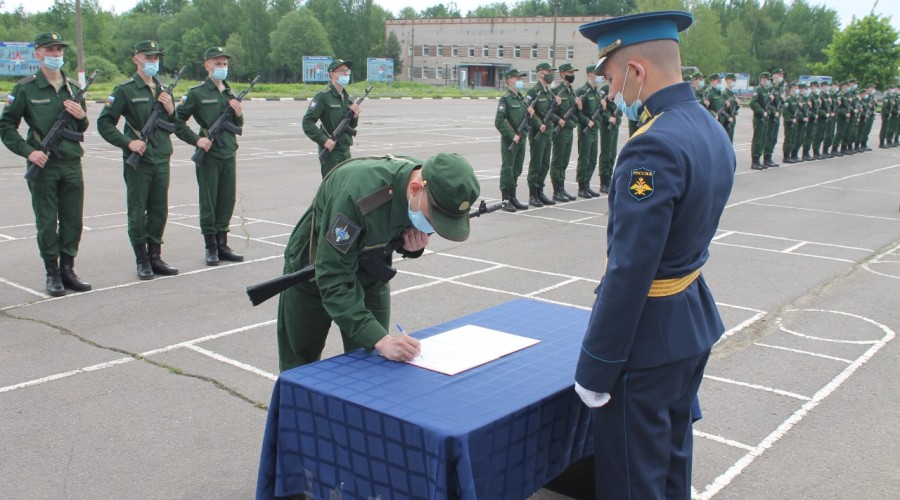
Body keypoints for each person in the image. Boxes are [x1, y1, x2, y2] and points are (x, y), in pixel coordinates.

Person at [576, 11, 735, 499]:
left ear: (636, 72)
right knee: (670, 462)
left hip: (647, 340)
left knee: (632, 479)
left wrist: (596, 367)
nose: (609, 94)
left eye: (610, 79)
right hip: (689, 321)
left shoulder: (652, 147)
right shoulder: (708, 125)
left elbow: (629, 270)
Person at [276, 153, 480, 372]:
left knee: (372, 365)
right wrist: (381, 339)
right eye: (433, 219)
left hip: (371, 270)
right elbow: (332, 275)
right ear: (414, 189)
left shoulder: (426, 185)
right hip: (314, 269)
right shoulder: (359, 197)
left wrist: (411, 247)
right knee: (299, 367)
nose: (432, 227)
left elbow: (393, 228)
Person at [0, 32, 91, 296]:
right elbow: (6, 126)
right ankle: (52, 273)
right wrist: (29, 152)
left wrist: (82, 114)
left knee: (73, 221)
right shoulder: (26, 87)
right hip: (44, 165)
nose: (55, 55)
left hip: (72, 162)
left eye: (59, 51)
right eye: (49, 50)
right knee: (47, 222)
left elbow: (81, 126)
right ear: (37, 54)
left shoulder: (73, 87)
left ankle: (68, 269)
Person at [97, 40, 179, 280]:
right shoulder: (125, 90)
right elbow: (104, 123)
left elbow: (173, 126)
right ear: (137, 59)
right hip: (139, 160)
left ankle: (155, 256)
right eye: (148, 57)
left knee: (159, 210)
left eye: (156, 58)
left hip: (161, 157)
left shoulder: (162, 91)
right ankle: (142, 259)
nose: (153, 61)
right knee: (137, 210)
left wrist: (171, 109)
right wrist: (128, 142)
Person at [175, 47, 245, 266]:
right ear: (207, 65)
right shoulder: (196, 93)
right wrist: (196, 140)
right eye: (217, 64)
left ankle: (223, 243)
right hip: (209, 155)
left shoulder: (230, 94)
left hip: (228, 153)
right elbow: (176, 120)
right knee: (209, 201)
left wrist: (239, 113)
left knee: (226, 199)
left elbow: (237, 125)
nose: (222, 68)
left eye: (224, 64)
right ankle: (211, 247)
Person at [302, 59, 361, 177]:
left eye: (347, 71)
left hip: (345, 150)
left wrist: (355, 116)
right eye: (341, 71)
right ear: (332, 74)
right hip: (331, 153)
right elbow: (307, 122)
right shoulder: (323, 96)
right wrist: (324, 140)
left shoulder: (348, 98)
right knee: (331, 189)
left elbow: (351, 126)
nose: (345, 73)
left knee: (345, 187)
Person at [494, 68, 533, 212]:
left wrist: (530, 114)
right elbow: (499, 121)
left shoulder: (521, 99)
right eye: (518, 79)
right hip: (510, 141)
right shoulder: (506, 99)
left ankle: (513, 197)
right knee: (507, 169)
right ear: (510, 80)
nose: (520, 81)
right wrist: (512, 135)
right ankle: (505, 200)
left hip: (522, 140)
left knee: (517, 169)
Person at [526, 62, 562, 207]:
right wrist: (537, 123)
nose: (550, 74)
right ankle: (533, 194)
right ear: (541, 73)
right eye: (548, 71)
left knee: (545, 163)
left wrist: (557, 104)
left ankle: (540, 191)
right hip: (537, 133)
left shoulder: (549, 92)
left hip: (547, 132)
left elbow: (551, 112)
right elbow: (527, 112)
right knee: (536, 163)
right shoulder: (534, 92)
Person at [550, 62, 582, 202]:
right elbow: (549, 111)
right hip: (560, 130)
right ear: (563, 74)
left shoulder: (571, 91)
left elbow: (573, 110)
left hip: (569, 129)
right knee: (558, 160)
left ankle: (562, 188)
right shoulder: (557, 91)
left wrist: (579, 107)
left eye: (573, 73)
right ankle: (557, 190)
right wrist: (558, 120)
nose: (572, 75)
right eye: (570, 73)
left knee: (565, 160)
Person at [574, 65, 603, 198]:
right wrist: (587, 121)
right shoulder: (582, 91)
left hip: (594, 129)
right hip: (585, 130)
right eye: (597, 74)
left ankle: (587, 184)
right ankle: (581, 187)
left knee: (592, 158)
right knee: (584, 158)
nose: (599, 76)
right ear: (590, 74)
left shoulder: (596, 92)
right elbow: (576, 112)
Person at [597, 83, 621, 193]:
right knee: (606, 153)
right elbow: (600, 108)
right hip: (607, 125)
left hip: (615, 124)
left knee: (612, 154)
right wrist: (608, 117)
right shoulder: (604, 89)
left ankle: (609, 178)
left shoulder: (619, 89)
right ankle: (604, 182)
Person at [749, 71, 772, 170]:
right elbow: (753, 103)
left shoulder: (765, 90)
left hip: (765, 119)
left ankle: (759, 158)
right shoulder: (758, 89)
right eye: (767, 79)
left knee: (763, 139)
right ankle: (755, 161)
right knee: (758, 139)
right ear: (763, 79)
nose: (768, 81)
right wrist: (762, 112)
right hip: (759, 118)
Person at [763, 68, 785, 167]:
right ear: (775, 76)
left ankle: (769, 157)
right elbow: (768, 104)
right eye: (779, 75)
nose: (781, 77)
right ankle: (766, 158)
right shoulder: (770, 87)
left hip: (777, 116)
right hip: (771, 117)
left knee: (774, 138)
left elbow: (779, 104)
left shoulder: (778, 88)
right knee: (769, 137)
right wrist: (773, 112)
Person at [723, 73, 739, 143]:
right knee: (726, 142)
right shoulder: (724, 94)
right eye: (733, 80)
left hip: (732, 121)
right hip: (726, 121)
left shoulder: (733, 94)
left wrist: (738, 104)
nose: (734, 82)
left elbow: (734, 109)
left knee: (730, 142)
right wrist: (728, 117)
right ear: (727, 81)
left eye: (735, 80)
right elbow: (722, 109)